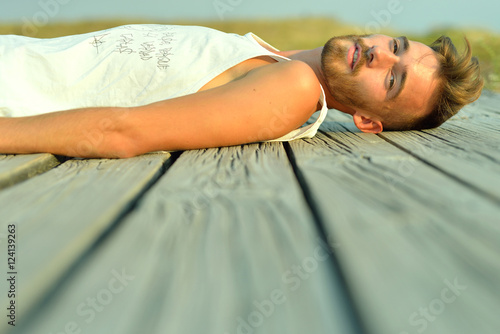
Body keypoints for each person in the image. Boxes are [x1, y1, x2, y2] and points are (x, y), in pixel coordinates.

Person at [0, 24, 483, 158]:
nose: (380, 54)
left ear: (368, 121)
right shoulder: (273, 58)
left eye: (392, 79)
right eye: (395, 45)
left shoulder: (294, 87)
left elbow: (123, 133)